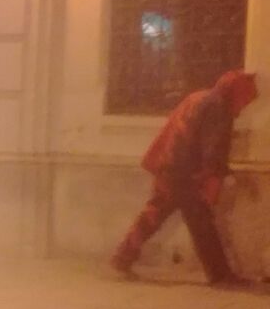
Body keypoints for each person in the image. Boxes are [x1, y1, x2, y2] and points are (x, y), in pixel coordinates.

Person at [111, 68, 259, 285]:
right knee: (201, 223)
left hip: (169, 164)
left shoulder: (198, 97)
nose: (245, 105)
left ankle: (123, 257)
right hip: (186, 173)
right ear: (237, 93)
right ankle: (220, 275)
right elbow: (212, 149)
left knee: (156, 215)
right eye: (246, 98)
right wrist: (219, 173)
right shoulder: (219, 108)